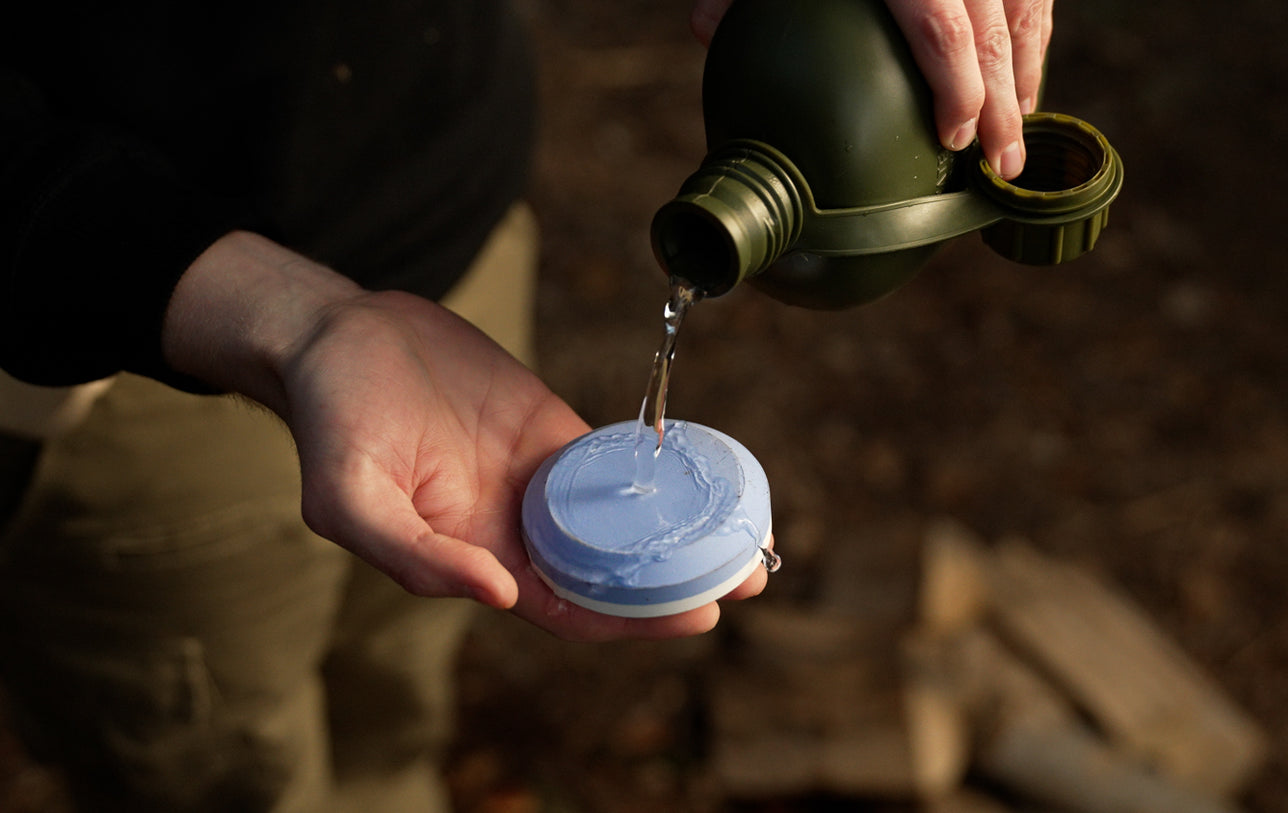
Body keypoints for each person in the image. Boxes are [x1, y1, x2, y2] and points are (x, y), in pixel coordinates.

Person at [0, 0, 1051, 810]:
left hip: (445, 240)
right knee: (228, 768)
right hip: (125, 347)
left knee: (393, 706)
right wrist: (275, 314)